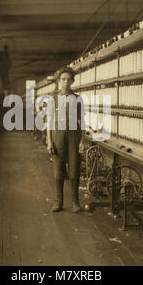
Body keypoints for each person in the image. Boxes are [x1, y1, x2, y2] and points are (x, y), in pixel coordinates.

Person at [46, 67, 85, 213]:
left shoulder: (78, 99)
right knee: (58, 170)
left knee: (74, 170)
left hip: (73, 136)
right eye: (63, 79)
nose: (66, 82)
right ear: (58, 81)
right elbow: (49, 121)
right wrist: (49, 141)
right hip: (57, 136)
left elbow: (81, 121)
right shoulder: (52, 99)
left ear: (73, 81)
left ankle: (75, 202)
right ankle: (59, 202)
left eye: (69, 79)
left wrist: (82, 141)